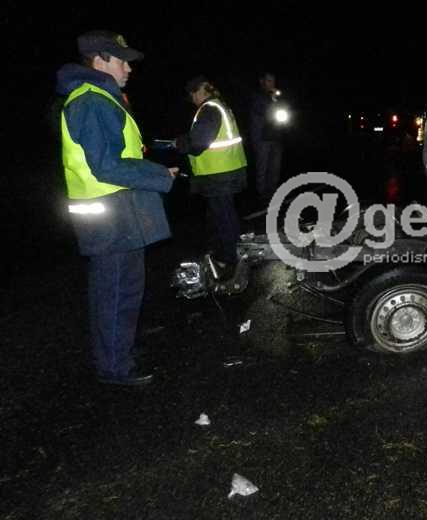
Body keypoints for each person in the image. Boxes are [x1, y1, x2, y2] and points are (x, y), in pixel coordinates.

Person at [56, 30, 176, 386]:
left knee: (124, 287)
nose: (128, 68)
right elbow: (106, 166)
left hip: (118, 210)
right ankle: (114, 366)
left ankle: (119, 351)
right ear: (100, 60)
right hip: (109, 216)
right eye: (122, 60)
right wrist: (158, 175)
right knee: (116, 290)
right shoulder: (91, 101)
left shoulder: (100, 97)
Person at [175, 76, 247, 278]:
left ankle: (230, 259)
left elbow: (198, 142)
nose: (192, 99)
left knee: (223, 217)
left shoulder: (209, 109)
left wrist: (181, 143)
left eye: (193, 94)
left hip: (218, 174)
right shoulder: (221, 106)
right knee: (225, 215)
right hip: (229, 169)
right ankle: (232, 253)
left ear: (200, 91)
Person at [249, 71, 287, 208]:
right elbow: (265, 110)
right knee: (262, 168)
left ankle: (272, 194)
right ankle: (261, 196)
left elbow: (283, 111)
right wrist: (274, 99)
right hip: (262, 137)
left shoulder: (275, 96)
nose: (272, 83)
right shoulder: (257, 96)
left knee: (274, 168)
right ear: (262, 81)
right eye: (269, 80)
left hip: (275, 137)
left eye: (273, 81)